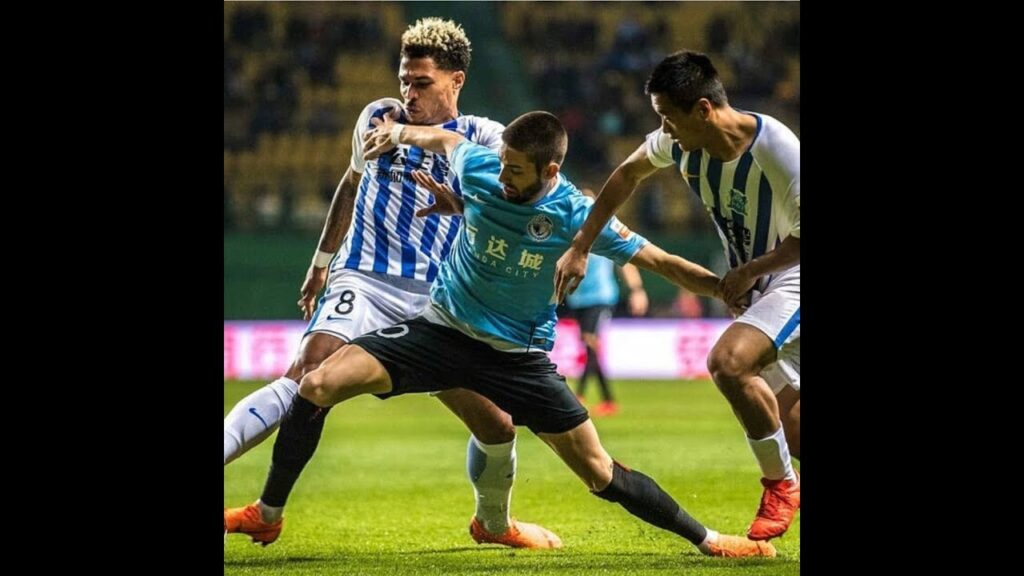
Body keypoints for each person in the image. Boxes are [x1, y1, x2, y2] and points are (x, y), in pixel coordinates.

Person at [229, 110, 777, 559]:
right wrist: (396, 134)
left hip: (516, 358)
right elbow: (443, 137)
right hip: (440, 332)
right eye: (502, 165)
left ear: (551, 169)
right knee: (316, 385)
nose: (503, 176)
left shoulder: (576, 216)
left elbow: (660, 261)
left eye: (515, 170)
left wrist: (724, 289)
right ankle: (269, 514)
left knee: (599, 472)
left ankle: (710, 541)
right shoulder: (480, 170)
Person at [224, 18, 560, 549]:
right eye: (405, 80)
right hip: (367, 280)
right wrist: (321, 262)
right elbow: (351, 183)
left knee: (497, 426)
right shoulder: (378, 118)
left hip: (441, 301)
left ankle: (494, 525)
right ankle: (268, 511)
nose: (409, 93)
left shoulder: (487, 138)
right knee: (307, 374)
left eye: (422, 82)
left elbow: (529, 194)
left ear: (456, 80)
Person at [553, 50, 800, 541]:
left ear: (704, 110)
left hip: (789, 274)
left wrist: (749, 270)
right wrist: (581, 245)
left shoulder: (778, 148)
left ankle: (780, 485)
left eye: (669, 116)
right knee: (791, 425)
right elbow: (624, 175)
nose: (664, 129)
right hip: (755, 285)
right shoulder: (679, 143)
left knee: (729, 362)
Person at [564, 190, 648, 416]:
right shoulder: (569, 231)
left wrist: (637, 290)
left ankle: (580, 395)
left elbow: (627, 261)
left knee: (591, 342)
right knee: (589, 346)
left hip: (602, 297)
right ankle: (607, 400)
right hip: (578, 297)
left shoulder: (606, 229)